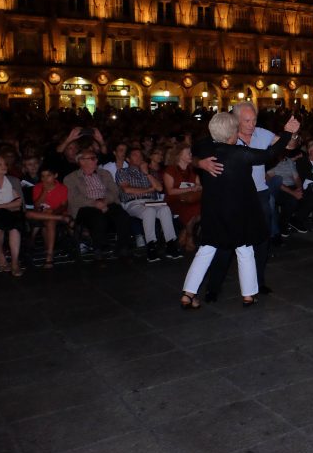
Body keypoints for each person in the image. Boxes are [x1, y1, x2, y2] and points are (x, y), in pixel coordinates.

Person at [180, 113, 299, 309]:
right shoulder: (238, 153)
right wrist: (287, 133)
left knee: (206, 250)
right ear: (231, 134)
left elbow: (194, 151)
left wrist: (200, 162)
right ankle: (249, 295)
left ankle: (188, 293)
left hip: (213, 210)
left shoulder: (206, 147)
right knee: (244, 249)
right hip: (237, 211)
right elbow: (270, 154)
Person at [64, 148, 132, 263]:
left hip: (106, 202)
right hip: (85, 207)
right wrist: (95, 203)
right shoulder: (71, 178)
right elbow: (74, 198)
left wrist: (105, 201)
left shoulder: (104, 173)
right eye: (92, 158)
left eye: (95, 158)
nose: (96, 161)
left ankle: (122, 247)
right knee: (97, 216)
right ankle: (98, 249)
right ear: (81, 161)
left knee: (123, 216)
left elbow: (114, 191)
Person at [116, 147, 180, 261]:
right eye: (135, 155)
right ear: (127, 159)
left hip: (152, 201)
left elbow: (159, 188)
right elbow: (127, 190)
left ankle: (171, 244)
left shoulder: (150, 172)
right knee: (148, 211)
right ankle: (151, 246)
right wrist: (149, 190)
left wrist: (147, 173)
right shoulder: (122, 171)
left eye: (140, 155)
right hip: (133, 202)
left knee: (165, 209)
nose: (139, 157)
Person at [26, 164, 71, 269]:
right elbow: (36, 206)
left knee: (50, 221)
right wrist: (44, 192)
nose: (45, 179)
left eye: (48, 175)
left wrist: (54, 212)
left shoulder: (62, 188)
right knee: (28, 213)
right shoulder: (38, 187)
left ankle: (49, 255)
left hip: (55, 213)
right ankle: (59, 219)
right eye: (43, 176)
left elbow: (64, 205)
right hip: (41, 213)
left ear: (55, 175)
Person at [0, 155, 25, 276]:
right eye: (0, 164)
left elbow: (19, 205)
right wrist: (9, 204)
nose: (4, 167)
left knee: (14, 228)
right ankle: (0, 255)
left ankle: (14, 263)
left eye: (4, 164)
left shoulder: (13, 180)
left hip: (13, 214)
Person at [163, 143, 202, 254]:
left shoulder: (193, 170)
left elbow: (198, 186)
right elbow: (170, 191)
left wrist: (198, 187)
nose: (191, 155)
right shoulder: (170, 170)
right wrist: (190, 189)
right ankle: (190, 237)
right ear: (179, 155)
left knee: (203, 207)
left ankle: (185, 231)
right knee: (191, 210)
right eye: (188, 153)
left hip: (191, 200)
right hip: (175, 200)